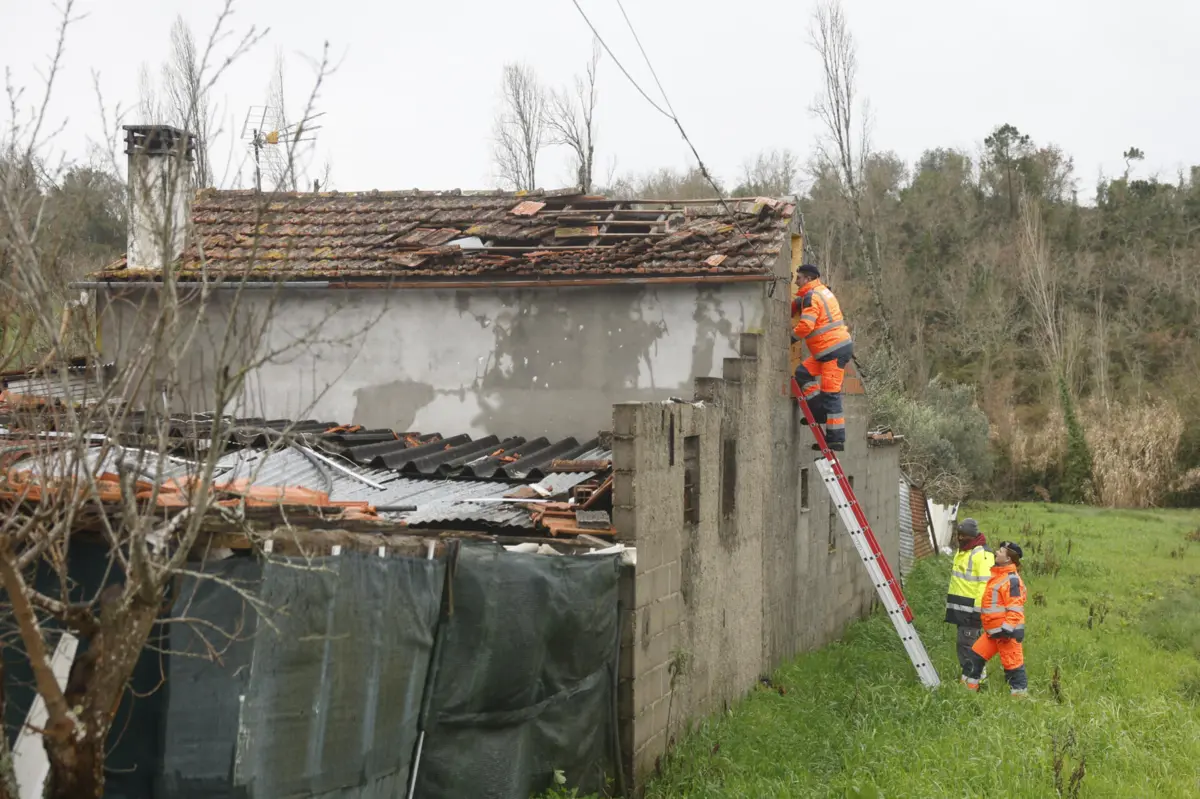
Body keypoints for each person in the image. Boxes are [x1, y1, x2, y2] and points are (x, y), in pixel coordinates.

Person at [791, 264, 854, 451]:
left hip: (832, 351)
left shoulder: (812, 296)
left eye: (799, 278)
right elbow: (803, 300)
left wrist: (789, 338)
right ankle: (818, 411)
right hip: (827, 350)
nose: (796, 281)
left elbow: (806, 326)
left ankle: (835, 439)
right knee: (802, 373)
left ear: (808, 279)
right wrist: (794, 305)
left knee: (831, 394)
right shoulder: (819, 291)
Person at [962, 541, 1028, 696]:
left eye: (1001, 551)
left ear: (1008, 559)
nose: (996, 552)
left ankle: (1020, 703)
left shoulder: (1011, 580)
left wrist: (1007, 629)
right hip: (994, 633)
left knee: (1013, 668)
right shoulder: (999, 576)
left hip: (1006, 635)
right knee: (974, 658)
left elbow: (1015, 608)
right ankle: (966, 693)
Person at [945, 518, 995, 682]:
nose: (960, 538)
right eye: (958, 535)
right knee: (967, 644)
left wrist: (978, 611)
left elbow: (985, 584)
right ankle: (977, 677)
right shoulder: (964, 550)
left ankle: (972, 680)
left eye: (964, 535)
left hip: (972, 611)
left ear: (972, 536)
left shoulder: (982, 554)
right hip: (961, 609)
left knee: (967, 646)